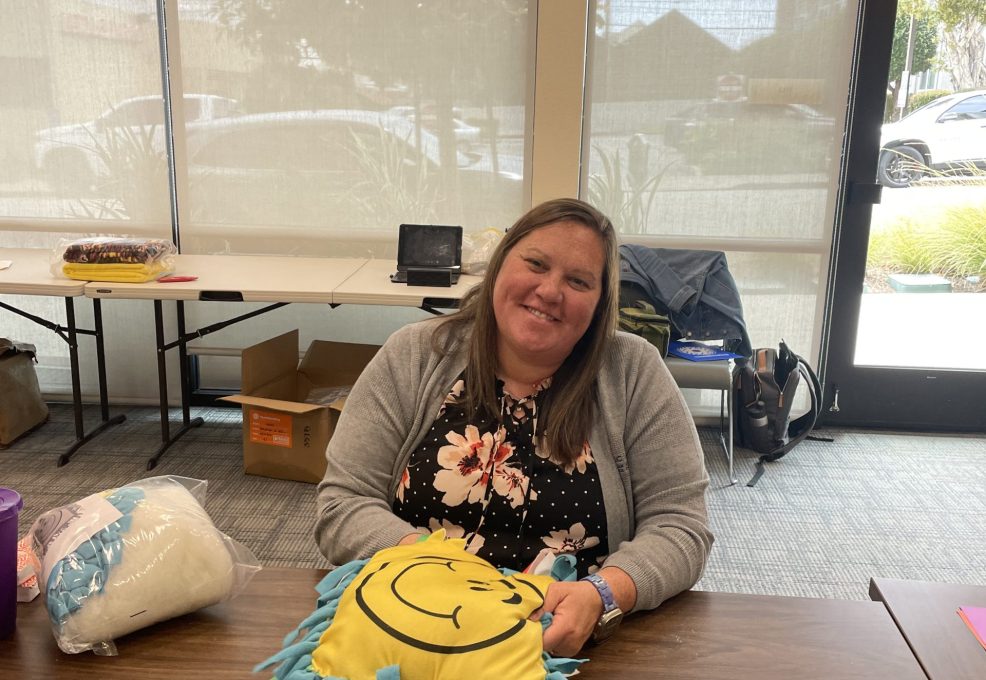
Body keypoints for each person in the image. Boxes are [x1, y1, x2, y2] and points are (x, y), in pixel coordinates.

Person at [315, 197, 713, 656]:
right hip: (414, 624)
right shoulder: (413, 354)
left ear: (601, 303)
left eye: (578, 280)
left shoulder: (633, 371)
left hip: (572, 643)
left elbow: (681, 526)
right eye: (536, 264)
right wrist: (426, 562)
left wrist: (603, 594)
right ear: (501, 264)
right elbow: (342, 503)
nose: (549, 291)